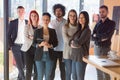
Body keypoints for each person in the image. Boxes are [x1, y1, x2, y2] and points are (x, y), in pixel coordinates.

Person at [92, 5, 115, 80]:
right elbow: (92, 36)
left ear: (107, 12)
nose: (101, 13)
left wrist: (97, 36)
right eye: (100, 12)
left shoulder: (111, 23)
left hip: (105, 49)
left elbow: (107, 36)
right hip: (96, 49)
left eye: (103, 12)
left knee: (106, 70)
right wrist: (100, 38)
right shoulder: (98, 24)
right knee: (98, 69)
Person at [33, 12, 58, 80]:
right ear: (41, 19)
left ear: (49, 20)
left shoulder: (53, 31)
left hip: (50, 55)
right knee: (40, 76)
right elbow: (33, 43)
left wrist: (50, 46)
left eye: (47, 19)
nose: (45, 21)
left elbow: (56, 43)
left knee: (48, 76)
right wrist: (40, 44)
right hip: (39, 55)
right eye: (44, 19)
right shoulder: (37, 31)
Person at [70, 11, 91, 80]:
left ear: (86, 19)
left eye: (83, 18)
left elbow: (78, 43)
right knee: (74, 77)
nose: (80, 19)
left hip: (81, 57)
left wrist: (75, 43)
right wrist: (74, 43)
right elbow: (70, 42)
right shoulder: (78, 30)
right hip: (74, 56)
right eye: (79, 18)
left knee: (80, 78)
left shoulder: (87, 30)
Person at [8, 6, 28, 80]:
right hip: (15, 46)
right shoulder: (13, 22)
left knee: (23, 65)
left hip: (24, 46)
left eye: (22, 11)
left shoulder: (27, 22)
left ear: (24, 12)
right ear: (17, 12)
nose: (21, 12)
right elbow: (8, 35)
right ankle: (24, 78)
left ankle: (19, 78)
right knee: (20, 66)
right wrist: (11, 46)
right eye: (19, 11)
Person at [21, 10, 40, 80]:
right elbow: (26, 39)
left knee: (37, 70)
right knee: (28, 70)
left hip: (37, 51)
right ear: (30, 17)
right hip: (27, 50)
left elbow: (40, 39)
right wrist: (35, 38)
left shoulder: (40, 27)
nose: (33, 17)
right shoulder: (27, 27)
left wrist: (31, 37)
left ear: (37, 17)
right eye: (32, 16)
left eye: (35, 16)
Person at [50, 4, 66, 80]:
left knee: (63, 70)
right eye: (56, 11)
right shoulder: (51, 23)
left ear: (63, 12)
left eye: (60, 10)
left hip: (63, 50)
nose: (58, 12)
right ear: (54, 12)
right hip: (53, 50)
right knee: (51, 69)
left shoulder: (66, 22)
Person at [62, 9, 78, 80]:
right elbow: (66, 40)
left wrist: (70, 38)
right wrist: (74, 38)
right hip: (67, 53)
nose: (72, 17)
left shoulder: (79, 27)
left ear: (76, 17)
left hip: (76, 53)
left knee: (75, 73)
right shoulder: (65, 27)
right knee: (68, 72)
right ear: (68, 17)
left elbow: (80, 40)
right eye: (70, 15)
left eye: (74, 16)